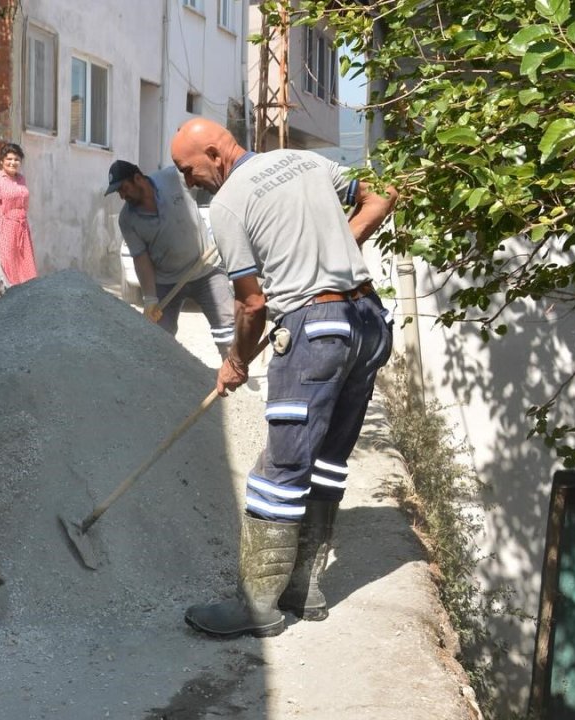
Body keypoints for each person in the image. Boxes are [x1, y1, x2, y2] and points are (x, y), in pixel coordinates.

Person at [169, 117, 398, 639]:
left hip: (316, 332)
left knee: (280, 466)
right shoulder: (305, 160)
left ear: (212, 152)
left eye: (188, 169)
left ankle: (258, 606)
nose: (189, 181)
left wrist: (234, 362)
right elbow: (382, 195)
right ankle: (304, 588)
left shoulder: (228, 206)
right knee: (330, 459)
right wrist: (340, 248)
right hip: (367, 323)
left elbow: (252, 302)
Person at [105, 159, 236, 358]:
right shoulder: (128, 220)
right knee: (158, 340)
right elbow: (141, 258)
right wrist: (150, 299)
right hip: (166, 280)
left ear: (138, 178)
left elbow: (204, 175)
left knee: (227, 330)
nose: (122, 196)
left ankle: (233, 372)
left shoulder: (173, 178)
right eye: (118, 193)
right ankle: (162, 383)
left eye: (123, 188)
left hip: (206, 268)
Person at [0, 143, 38, 293]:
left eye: (16, 159)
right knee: (6, 271)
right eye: (9, 159)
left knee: (26, 270)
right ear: (2, 161)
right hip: (3, 229)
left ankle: (24, 307)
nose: (13, 162)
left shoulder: (21, 179)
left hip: (22, 230)